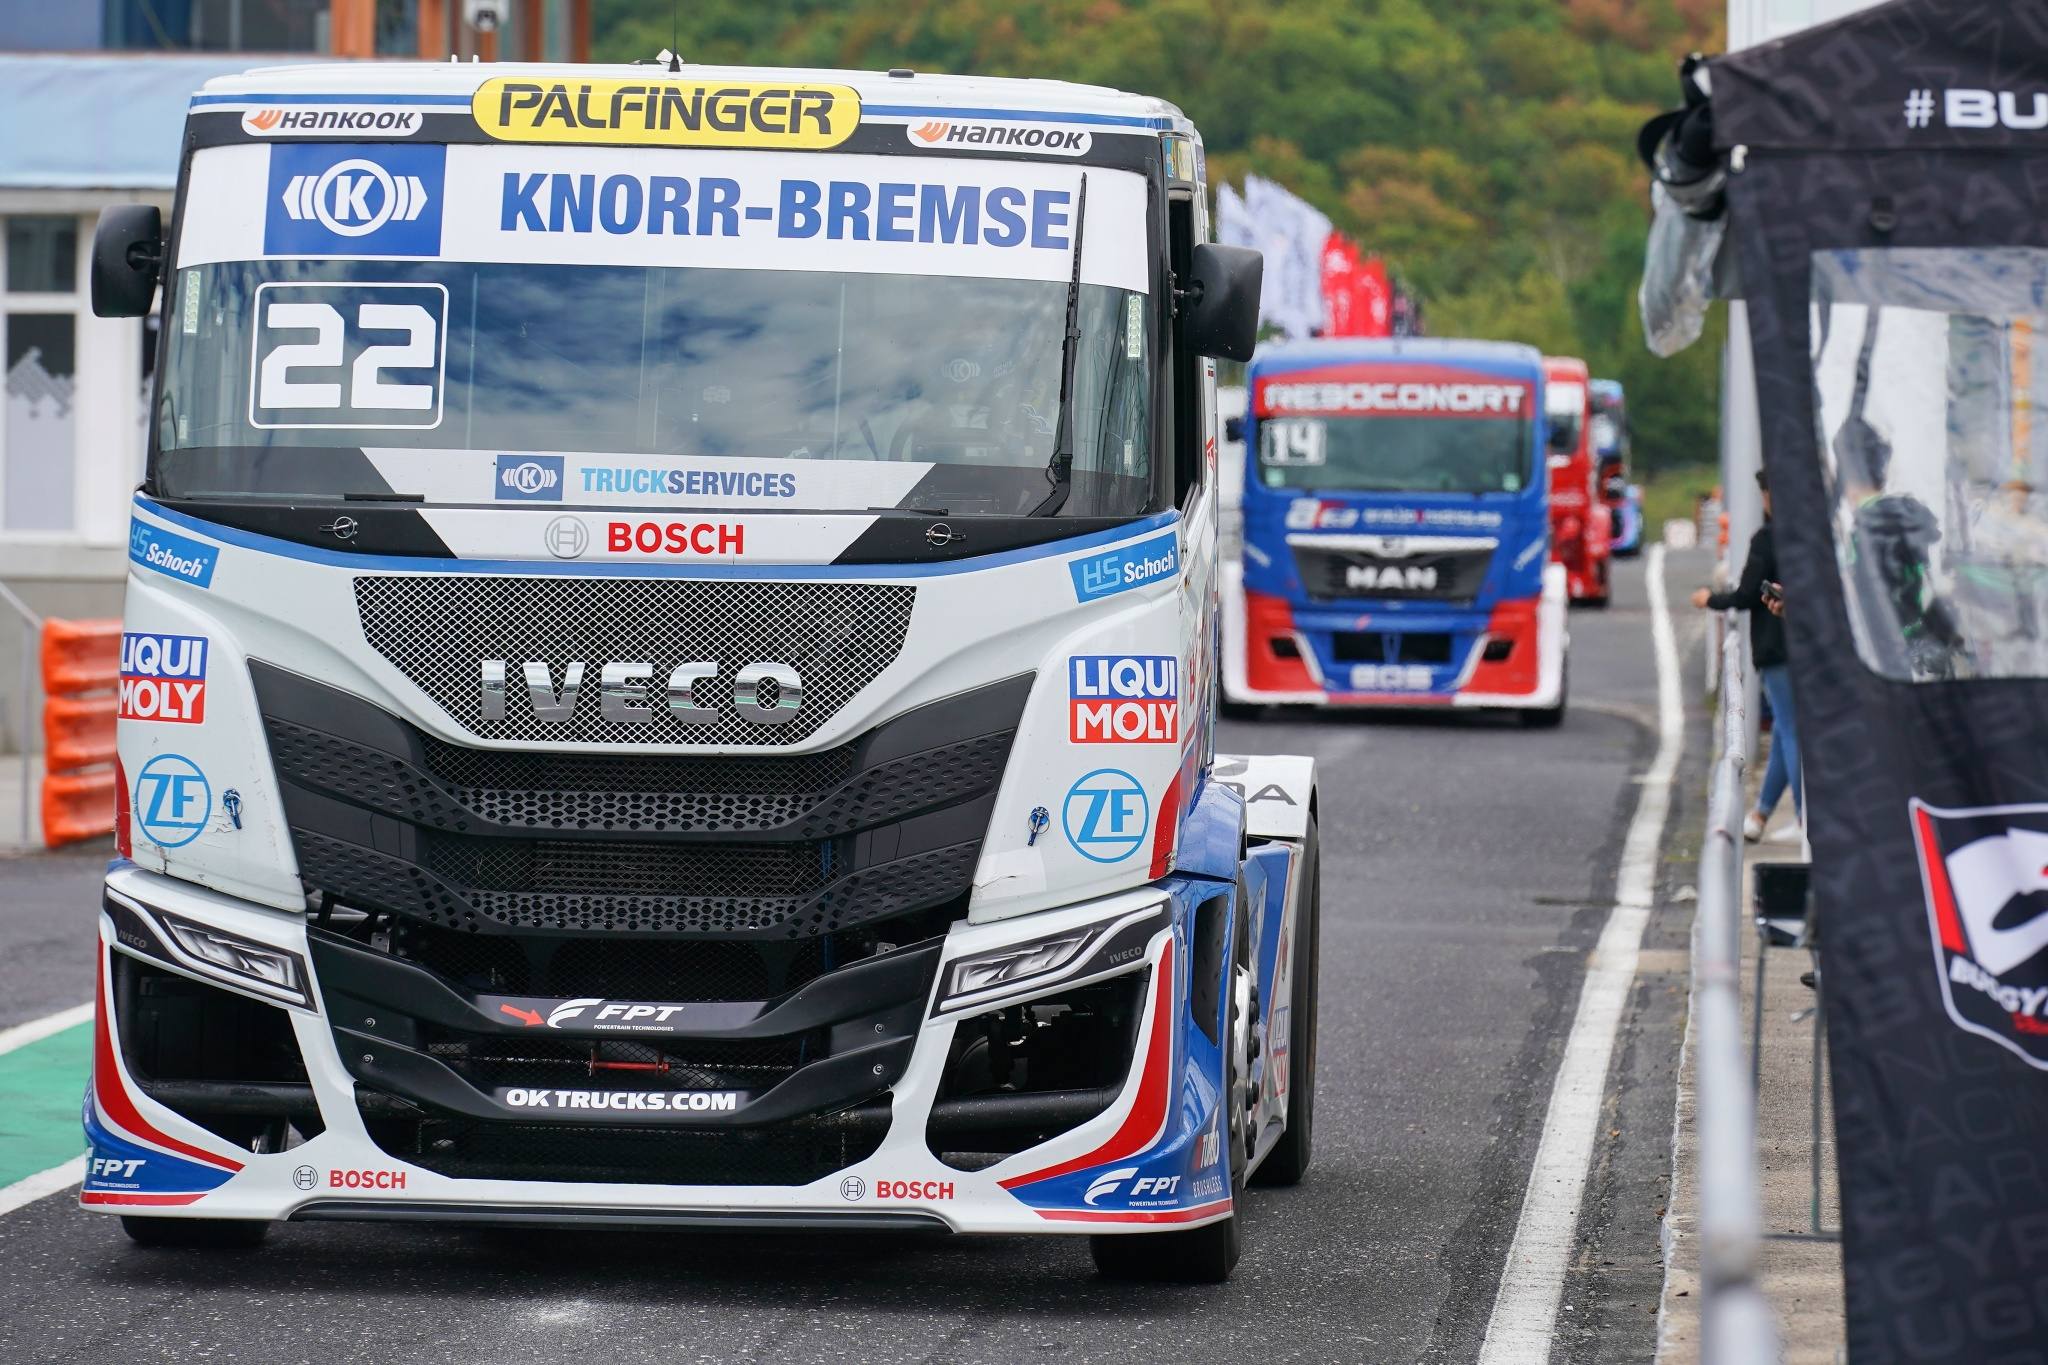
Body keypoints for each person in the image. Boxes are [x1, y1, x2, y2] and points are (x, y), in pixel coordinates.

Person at [1692, 470, 1797, 841]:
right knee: (1785, 731)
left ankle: (1805, 819)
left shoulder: (1766, 539)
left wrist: (1710, 599)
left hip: (1774, 646)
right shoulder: (1810, 536)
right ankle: (1761, 815)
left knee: (1791, 732)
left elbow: (1748, 593)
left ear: (1768, 496)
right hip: (1802, 644)